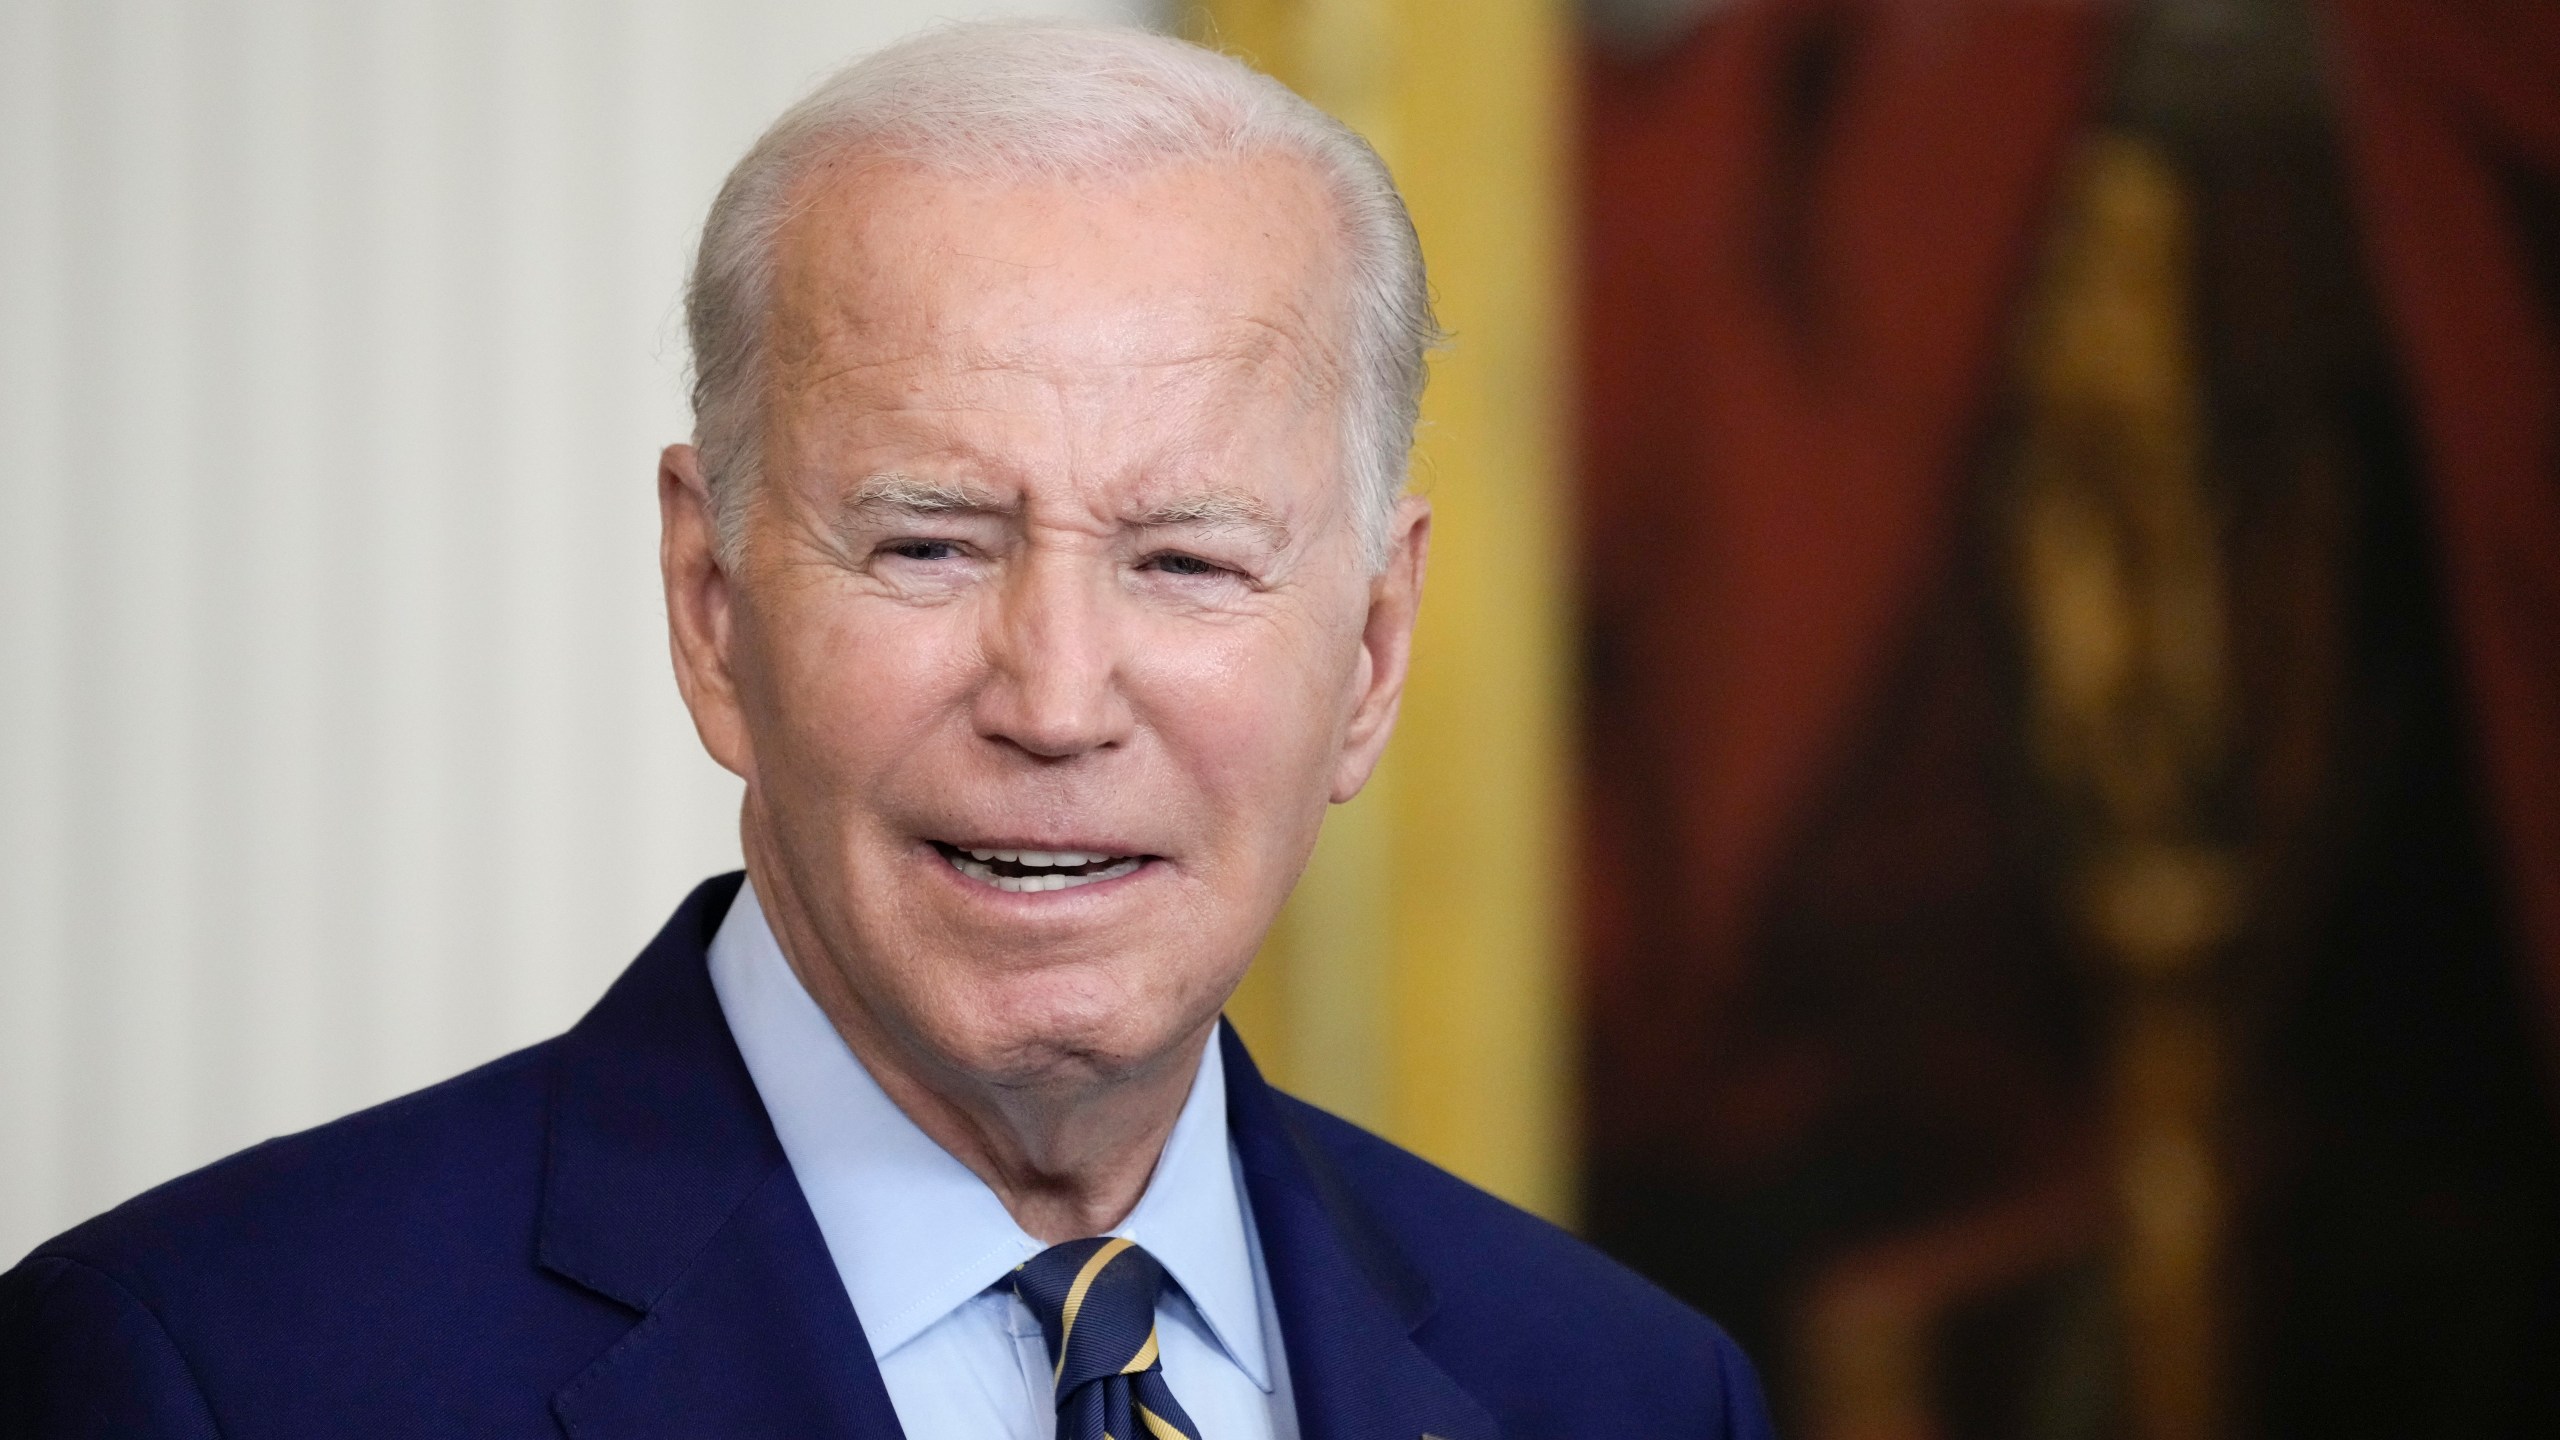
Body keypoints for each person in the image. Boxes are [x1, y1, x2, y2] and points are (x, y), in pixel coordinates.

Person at [0, 21, 1772, 1438]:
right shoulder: (217, 1373)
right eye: (929, 544)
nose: (1059, 699)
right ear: (712, 608)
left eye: (1186, 556)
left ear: (1373, 649)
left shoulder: (1628, 1390)